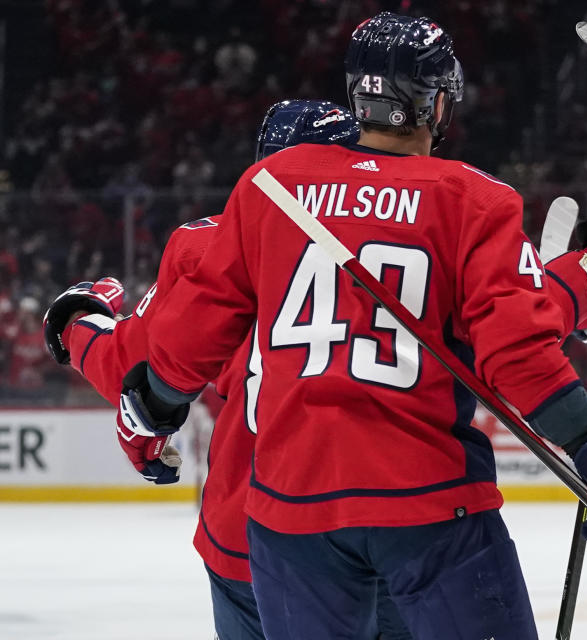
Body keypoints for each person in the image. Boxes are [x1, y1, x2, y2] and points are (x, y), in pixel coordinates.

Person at [113, 12, 587, 640]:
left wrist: (151, 408)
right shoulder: (474, 198)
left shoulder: (269, 186)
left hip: (293, 513)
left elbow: (195, 334)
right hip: (429, 506)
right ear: (435, 103)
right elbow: (516, 352)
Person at [42, 100, 417, 640]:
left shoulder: (209, 244)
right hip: (394, 516)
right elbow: (519, 320)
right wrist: (584, 274)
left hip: (253, 525)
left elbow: (134, 366)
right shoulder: (413, 231)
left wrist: (78, 321)